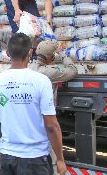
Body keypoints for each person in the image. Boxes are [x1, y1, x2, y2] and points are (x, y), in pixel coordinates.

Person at [0, 33, 66, 175]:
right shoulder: (41, 81)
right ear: (30, 52)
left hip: (7, 157)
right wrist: (60, 159)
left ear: (8, 53)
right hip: (37, 159)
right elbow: (52, 125)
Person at [29, 40, 77, 174]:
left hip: (30, 118)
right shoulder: (49, 72)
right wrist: (63, 57)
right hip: (44, 119)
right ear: (51, 57)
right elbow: (73, 71)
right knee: (53, 156)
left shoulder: (28, 67)